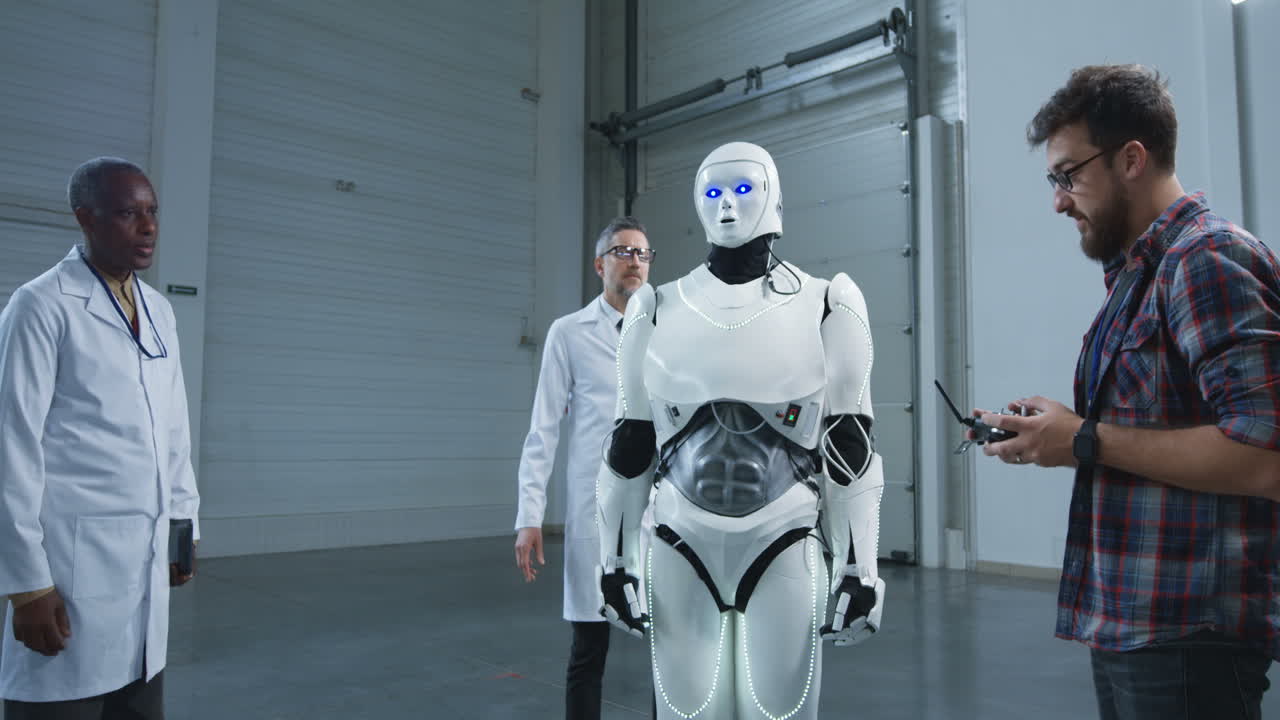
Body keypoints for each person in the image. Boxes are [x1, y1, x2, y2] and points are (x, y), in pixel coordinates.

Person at [973, 65, 1280, 719]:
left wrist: (1085, 438)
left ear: (1132, 158)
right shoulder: (1139, 274)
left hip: (1189, 640)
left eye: (1068, 175)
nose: (1058, 200)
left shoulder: (1206, 261)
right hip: (1132, 626)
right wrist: (1060, 430)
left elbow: (1266, 457)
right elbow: (1155, 422)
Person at [595, 141, 886, 719]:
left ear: (774, 197)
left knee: (780, 712)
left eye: (743, 189)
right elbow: (630, 446)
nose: (727, 205)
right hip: (680, 540)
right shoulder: (654, 307)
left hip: (784, 539)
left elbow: (850, 447)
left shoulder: (829, 302)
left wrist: (862, 568)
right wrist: (614, 561)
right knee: (688, 712)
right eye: (713, 192)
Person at [0, 157, 200, 719]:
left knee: (137, 701)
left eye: (152, 212)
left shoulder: (159, 311)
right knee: (63, 702)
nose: (149, 226)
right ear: (86, 219)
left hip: (146, 560)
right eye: (127, 213)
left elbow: (174, 428)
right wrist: (26, 585)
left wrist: (183, 525)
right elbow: (10, 448)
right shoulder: (41, 306)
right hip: (69, 566)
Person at [513, 217, 653, 720]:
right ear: (600, 265)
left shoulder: (667, 331)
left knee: (669, 649)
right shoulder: (568, 333)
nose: (633, 261)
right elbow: (543, 429)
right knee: (589, 649)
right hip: (595, 509)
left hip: (660, 507)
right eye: (622, 251)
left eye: (642, 253)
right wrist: (529, 516)